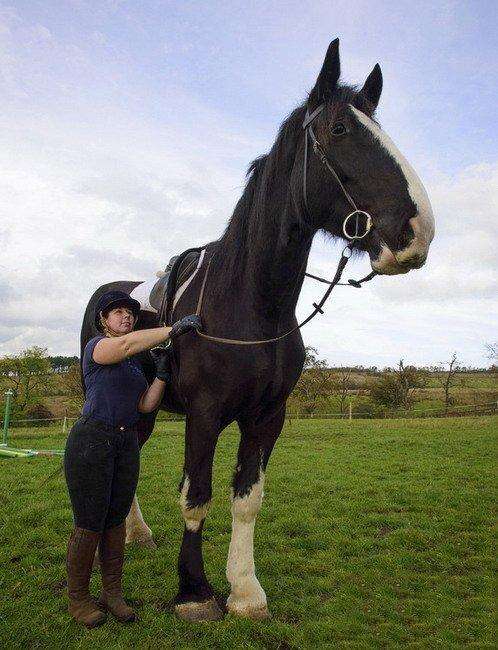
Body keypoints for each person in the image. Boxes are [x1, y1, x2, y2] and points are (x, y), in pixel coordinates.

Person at [64, 290, 200, 628]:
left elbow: (145, 406)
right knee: (89, 523)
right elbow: (127, 345)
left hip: (126, 442)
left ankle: (113, 593)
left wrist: (162, 374)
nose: (126, 316)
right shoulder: (97, 347)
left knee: (115, 522)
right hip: (93, 440)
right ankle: (78, 599)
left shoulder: (134, 363)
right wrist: (173, 329)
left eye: (130, 312)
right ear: (104, 320)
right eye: (118, 312)